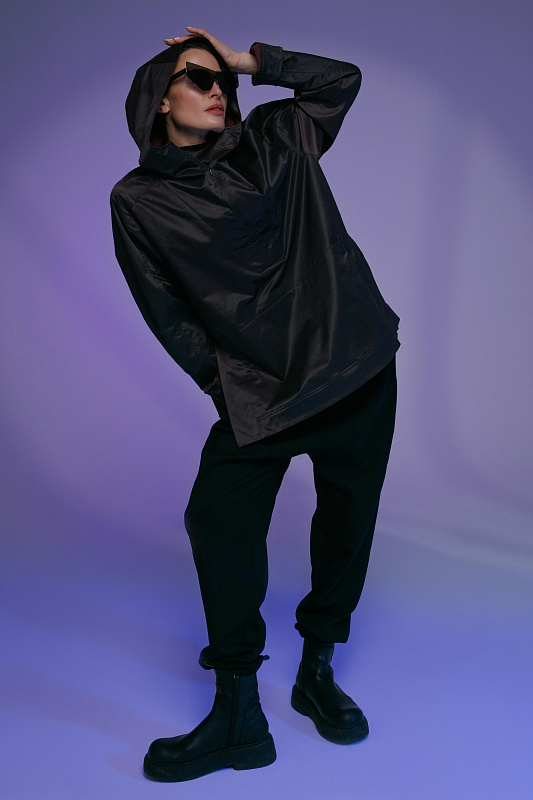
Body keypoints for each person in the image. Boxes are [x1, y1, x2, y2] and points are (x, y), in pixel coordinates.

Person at [111, 27, 400, 783]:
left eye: (223, 81)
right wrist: (228, 384)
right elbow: (167, 310)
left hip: (354, 364)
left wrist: (252, 61)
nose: (217, 90)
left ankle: (316, 670)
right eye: (196, 78)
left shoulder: (278, 137)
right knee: (218, 519)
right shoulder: (139, 200)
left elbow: (340, 79)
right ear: (158, 98)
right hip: (263, 395)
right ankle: (238, 710)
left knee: (346, 523)